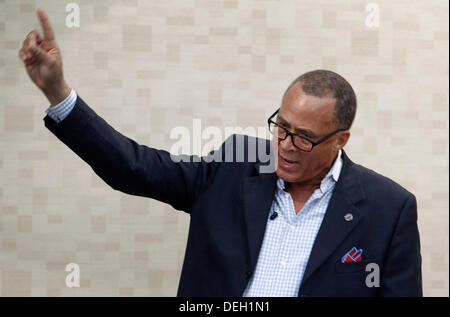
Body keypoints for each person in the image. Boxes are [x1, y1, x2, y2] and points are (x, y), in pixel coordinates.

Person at [19, 9, 422, 297]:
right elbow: (134, 166)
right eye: (281, 127)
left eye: (304, 138)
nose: (284, 146)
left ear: (340, 140)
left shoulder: (388, 209)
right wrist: (58, 93)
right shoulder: (234, 167)